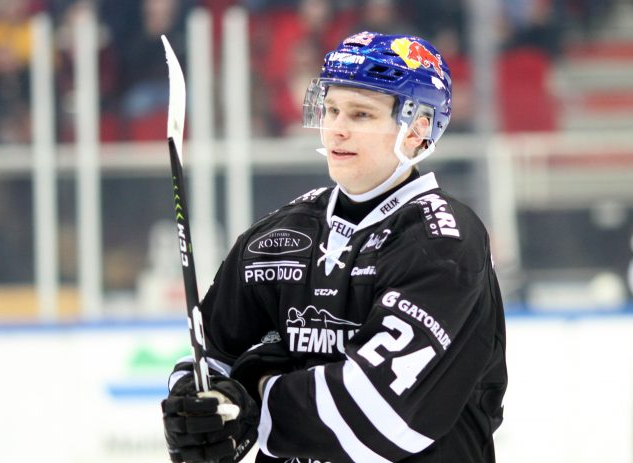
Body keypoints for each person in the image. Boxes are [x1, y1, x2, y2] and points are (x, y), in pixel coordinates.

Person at [162, 31, 508, 463]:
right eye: (331, 110)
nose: (337, 129)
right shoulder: (278, 237)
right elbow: (211, 356)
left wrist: (251, 401)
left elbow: (380, 414)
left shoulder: (444, 242)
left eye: (361, 114)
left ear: (418, 129)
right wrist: (197, 410)